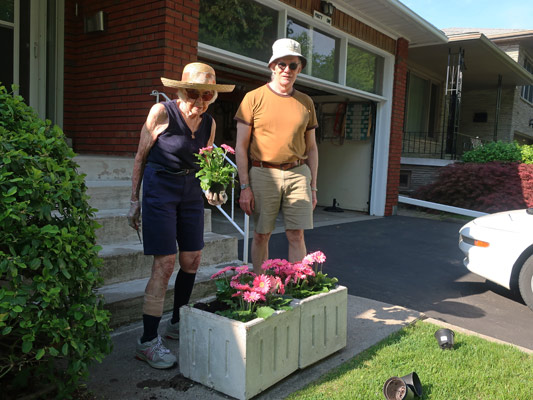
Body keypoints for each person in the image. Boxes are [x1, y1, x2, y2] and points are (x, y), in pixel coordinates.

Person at [127, 62, 235, 369]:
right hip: (160, 187)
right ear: (180, 91)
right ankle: (147, 341)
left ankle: (177, 323)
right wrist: (133, 200)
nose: (199, 101)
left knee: (192, 259)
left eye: (207, 95)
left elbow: (207, 163)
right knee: (164, 264)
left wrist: (213, 188)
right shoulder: (161, 113)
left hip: (189, 191)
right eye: (193, 93)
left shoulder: (209, 123)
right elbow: (140, 157)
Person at [234, 38, 319, 274]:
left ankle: (297, 284)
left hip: (298, 173)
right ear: (272, 66)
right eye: (282, 64)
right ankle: (260, 285)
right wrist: (244, 186)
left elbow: (312, 148)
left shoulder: (306, 102)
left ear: (299, 69)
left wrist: (313, 187)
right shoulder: (253, 98)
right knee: (262, 234)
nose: (287, 70)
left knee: (296, 234)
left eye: (293, 65)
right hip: (263, 172)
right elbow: (240, 146)